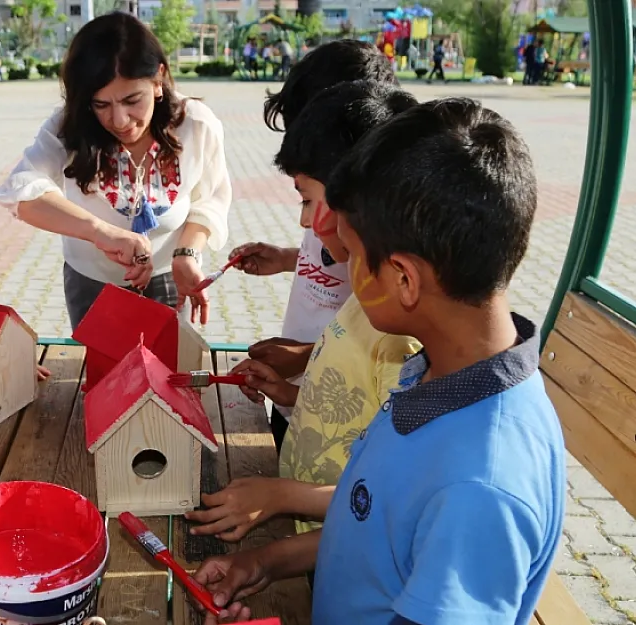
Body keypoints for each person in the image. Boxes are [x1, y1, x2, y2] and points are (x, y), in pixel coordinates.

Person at [197, 99, 566, 625]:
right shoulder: (438, 376)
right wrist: (265, 561)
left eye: (349, 252)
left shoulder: (479, 485)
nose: (343, 272)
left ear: (403, 279)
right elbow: (371, 524)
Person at [186, 81, 420, 548]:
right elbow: (357, 410)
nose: (306, 223)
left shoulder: (398, 331)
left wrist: (280, 497)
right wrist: (292, 395)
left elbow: (390, 497)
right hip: (313, 528)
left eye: (307, 199)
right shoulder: (367, 296)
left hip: (341, 543)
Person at [0, 12, 232, 328]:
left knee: (168, 371)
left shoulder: (195, 125)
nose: (119, 120)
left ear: (158, 80)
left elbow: (209, 201)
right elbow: (24, 189)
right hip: (91, 280)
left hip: (169, 276)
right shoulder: (70, 126)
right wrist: (100, 232)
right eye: (101, 104)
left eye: (132, 100)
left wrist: (187, 253)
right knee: (106, 373)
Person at [232, 40, 397, 450]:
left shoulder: (373, 249)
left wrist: (307, 355)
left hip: (333, 404)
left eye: (308, 199)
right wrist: (288, 258)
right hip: (299, 393)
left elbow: (368, 344)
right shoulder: (334, 213)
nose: (307, 219)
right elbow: (326, 262)